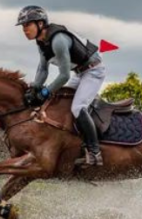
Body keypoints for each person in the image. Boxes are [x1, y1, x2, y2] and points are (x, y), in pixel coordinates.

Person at [17, 5, 105, 166]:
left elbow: (64, 76)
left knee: (78, 107)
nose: (24, 29)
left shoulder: (58, 40)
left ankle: (94, 152)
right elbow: (43, 69)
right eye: (22, 26)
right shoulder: (41, 41)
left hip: (93, 71)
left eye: (27, 24)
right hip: (79, 73)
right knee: (59, 104)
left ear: (40, 24)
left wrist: (46, 91)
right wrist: (35, 87)